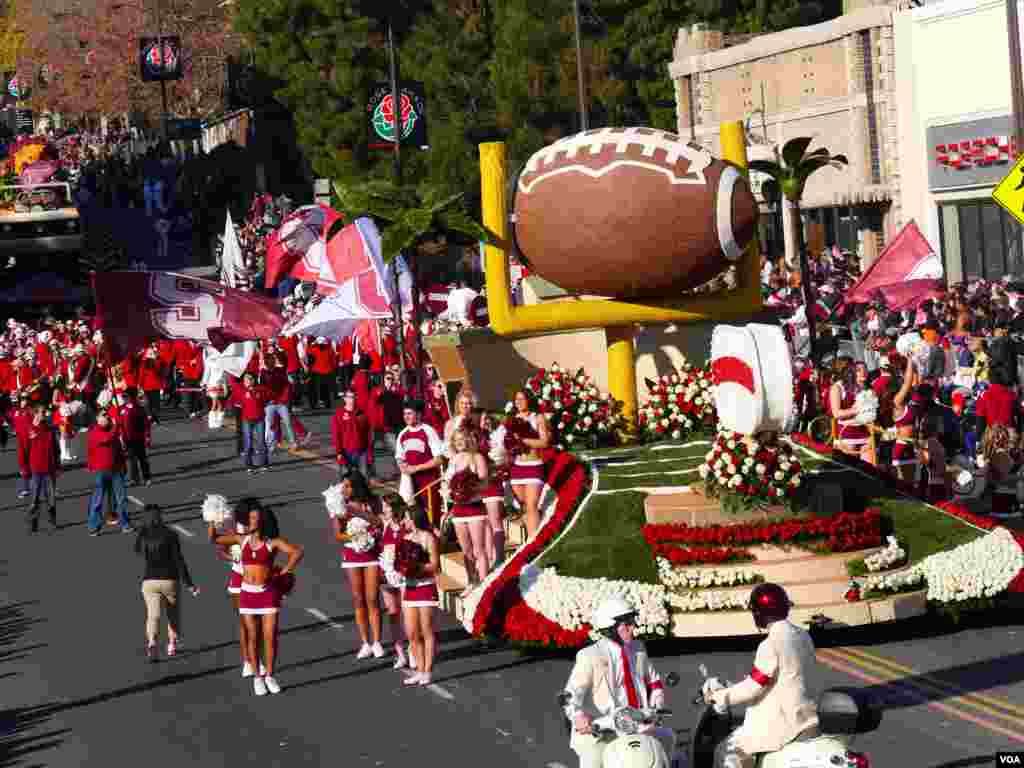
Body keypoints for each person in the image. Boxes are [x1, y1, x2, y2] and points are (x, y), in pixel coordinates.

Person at [703, 584, 819, 768]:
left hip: (782, 723)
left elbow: (754, 687)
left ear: (758, 613)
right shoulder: (803, 635)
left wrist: (718, 696)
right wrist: (733, 687)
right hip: (809, 716)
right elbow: (783, 678)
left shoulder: (770, 643)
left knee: (725, 751)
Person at [562, 596, 672, 768]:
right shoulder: (590, 656)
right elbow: (571, 694)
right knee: (593, 761)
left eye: (631, 621)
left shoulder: (638, 649)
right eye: (626, 623)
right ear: (610, 627)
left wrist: (656, 705)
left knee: (667, 739)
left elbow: (654, 682)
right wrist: (577, 716)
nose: (632, 627)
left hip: (638, 723)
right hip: (604, 729)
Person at [208, 500, 303, 696]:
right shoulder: (240, 539)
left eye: (255, 518)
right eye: (250, 518)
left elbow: (297, 551)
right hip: (247, 594)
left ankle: (269, 675)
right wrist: (212, 519)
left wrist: (285, 571)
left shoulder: (272, 543)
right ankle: (257, 678)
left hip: (268, 593)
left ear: (262, 521)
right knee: (253, 637)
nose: (252, 521)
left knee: (270, 637)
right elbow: (214, 539)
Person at [330, 472, 385, 658]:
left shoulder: (373, 502)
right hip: (352, 554)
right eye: (342, 486)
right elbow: (338, 534)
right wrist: (355, 537)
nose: (344, 489)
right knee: (358, 598)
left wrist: (360, 516)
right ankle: (365, 642)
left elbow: (380, 522)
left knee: (372, 597)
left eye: (347, 486)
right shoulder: (338, 505)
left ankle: (377, 641)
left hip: (372, 554)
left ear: (356, 487)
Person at [135, 504, 198, 661]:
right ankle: (171, 644)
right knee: (172, 614)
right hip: (170, 580)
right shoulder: (171, 535)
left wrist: (143, 530)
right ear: (160, 516)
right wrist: (190, 584)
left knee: (153, 615)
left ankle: (152, 643)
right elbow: (179, 560)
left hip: (149, 581)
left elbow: (137, 550)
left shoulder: (143, 535)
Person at [445, 426, 490, 588]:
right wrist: (449, 493)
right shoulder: (453, 460)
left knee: (479, 549)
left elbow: (485, 483)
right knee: (466, 551)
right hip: (458, 510)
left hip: (475, 508)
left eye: (461, 439)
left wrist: (468, 488)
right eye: (456, 440)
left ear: (468, 440)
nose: (459, 443)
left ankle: (484, 585)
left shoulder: (477, 457)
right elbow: (447, 484)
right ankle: (471, 582)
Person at [400, 503, 440, 686]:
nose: (405, 521)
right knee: (412, 633)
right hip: (410, 588)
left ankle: (427, 671)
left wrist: (416, 568)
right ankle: (419, 669)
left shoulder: (428, 538)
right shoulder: (405, 538)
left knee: (426, 630)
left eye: (407, 517)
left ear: (414, 518)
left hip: (425, 586)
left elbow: (434, 565)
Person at [508, 389, 551, 538]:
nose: (519, 402)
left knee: (531, 505)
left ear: (529, 400)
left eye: (522, 399)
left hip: (533, 466)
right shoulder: (512, 419)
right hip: (517, 468)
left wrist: (523, 441)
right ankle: (534, 535)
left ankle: (534, 544)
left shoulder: (538, 418)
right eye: (516, 399)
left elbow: (544, 442)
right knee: (525, 506)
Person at [396, 401, 445, 526]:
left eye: (409, 413)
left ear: (418, 414)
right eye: (404, 414)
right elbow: (399, 457)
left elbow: (439, 459)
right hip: (411, 483)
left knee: (431, 515)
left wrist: (416, 468)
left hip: (429, 482)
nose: (406, 417)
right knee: (413, 514)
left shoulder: (428, 431)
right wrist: (403, 467)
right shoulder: (402, 434)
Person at [378, 494, 413, 669]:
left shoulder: (406, 525)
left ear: (395, 507)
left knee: (408, 614)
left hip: (404, 574)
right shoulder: (384, 525)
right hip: (387, 574)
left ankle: (413, 650)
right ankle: (400, 654)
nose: (383, 509)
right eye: (383, 506)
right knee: (393, 614)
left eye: (386, 506)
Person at [86, 408, 131, 535]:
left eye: (107, 415)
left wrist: (123, 465)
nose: (106, 417)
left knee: (121, 499)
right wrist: (117, 426)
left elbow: (118, 450)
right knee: (97, 501)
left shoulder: (113, 431)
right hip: (100, 471)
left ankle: (125, 523)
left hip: (116, 470)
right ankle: (94, 526)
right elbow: (106, 439)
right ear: (97, 419)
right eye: (103, 415)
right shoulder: (94, 432)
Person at [25, 405, 59, 534]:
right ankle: (33, 523)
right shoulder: (31, 430)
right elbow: (24, 448)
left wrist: (58, 466)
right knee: (34, 498)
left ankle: (52, 521)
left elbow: (57, 450)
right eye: (43, 412)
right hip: (36, 470)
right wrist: (25, 468)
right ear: (36, 414)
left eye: (46, 412)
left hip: (49, 470)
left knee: (51, 498)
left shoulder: (50, 430)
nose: (46, 414)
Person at [114, 387, 152, 486]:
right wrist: (119, 436)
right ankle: (134, 479)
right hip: (127, 438)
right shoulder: (121, 408)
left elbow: (146, 424)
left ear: (132, 397)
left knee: (142, 458)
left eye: (126, 396)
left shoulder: (138, 409)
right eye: (123, 396)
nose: (124, 398)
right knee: (131, 459)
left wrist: (147, 436)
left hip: (138, 438)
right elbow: (118, 424)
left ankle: (146, 477)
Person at [332, 390, 371, 480]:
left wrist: (368, 450)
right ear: (345, 399)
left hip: (361, 450)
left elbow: (367, 432)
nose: (352, 400)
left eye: (353, 397)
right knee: (345, 480)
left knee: (363, 478)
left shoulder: (362, 413)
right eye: (349, 397)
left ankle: (362, 493)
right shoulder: (339, 414)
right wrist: (339, 452)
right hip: (346, 451)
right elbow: (336, 434)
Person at [239, 373, 270, 473]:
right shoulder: (241, 391)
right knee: (248, 443)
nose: (248, 381)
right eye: (246, 380)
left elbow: (267, 399)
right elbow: (236, 401)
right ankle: (249, 465)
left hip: (259, 419)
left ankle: (264, 463)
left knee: (261, 442)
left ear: (254, 380)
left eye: (250, 379)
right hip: (247, 420)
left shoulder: (260, 389)